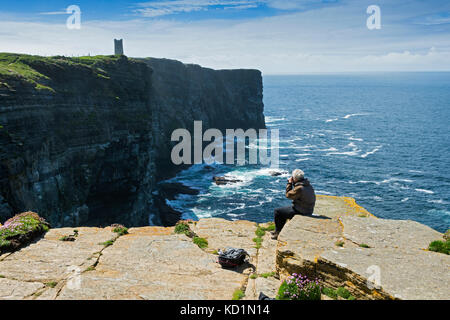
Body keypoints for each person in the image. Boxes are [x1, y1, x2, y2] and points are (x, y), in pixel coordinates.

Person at [271, 169, 316, 240]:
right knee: (284, 211)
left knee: (278, 212)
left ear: (294, 178)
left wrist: (289, 183)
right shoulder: (307, 184)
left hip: (302, 211)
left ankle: (277, 233)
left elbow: (288, 195)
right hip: (308, 209)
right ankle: (279, 230)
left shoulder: (300, 188)